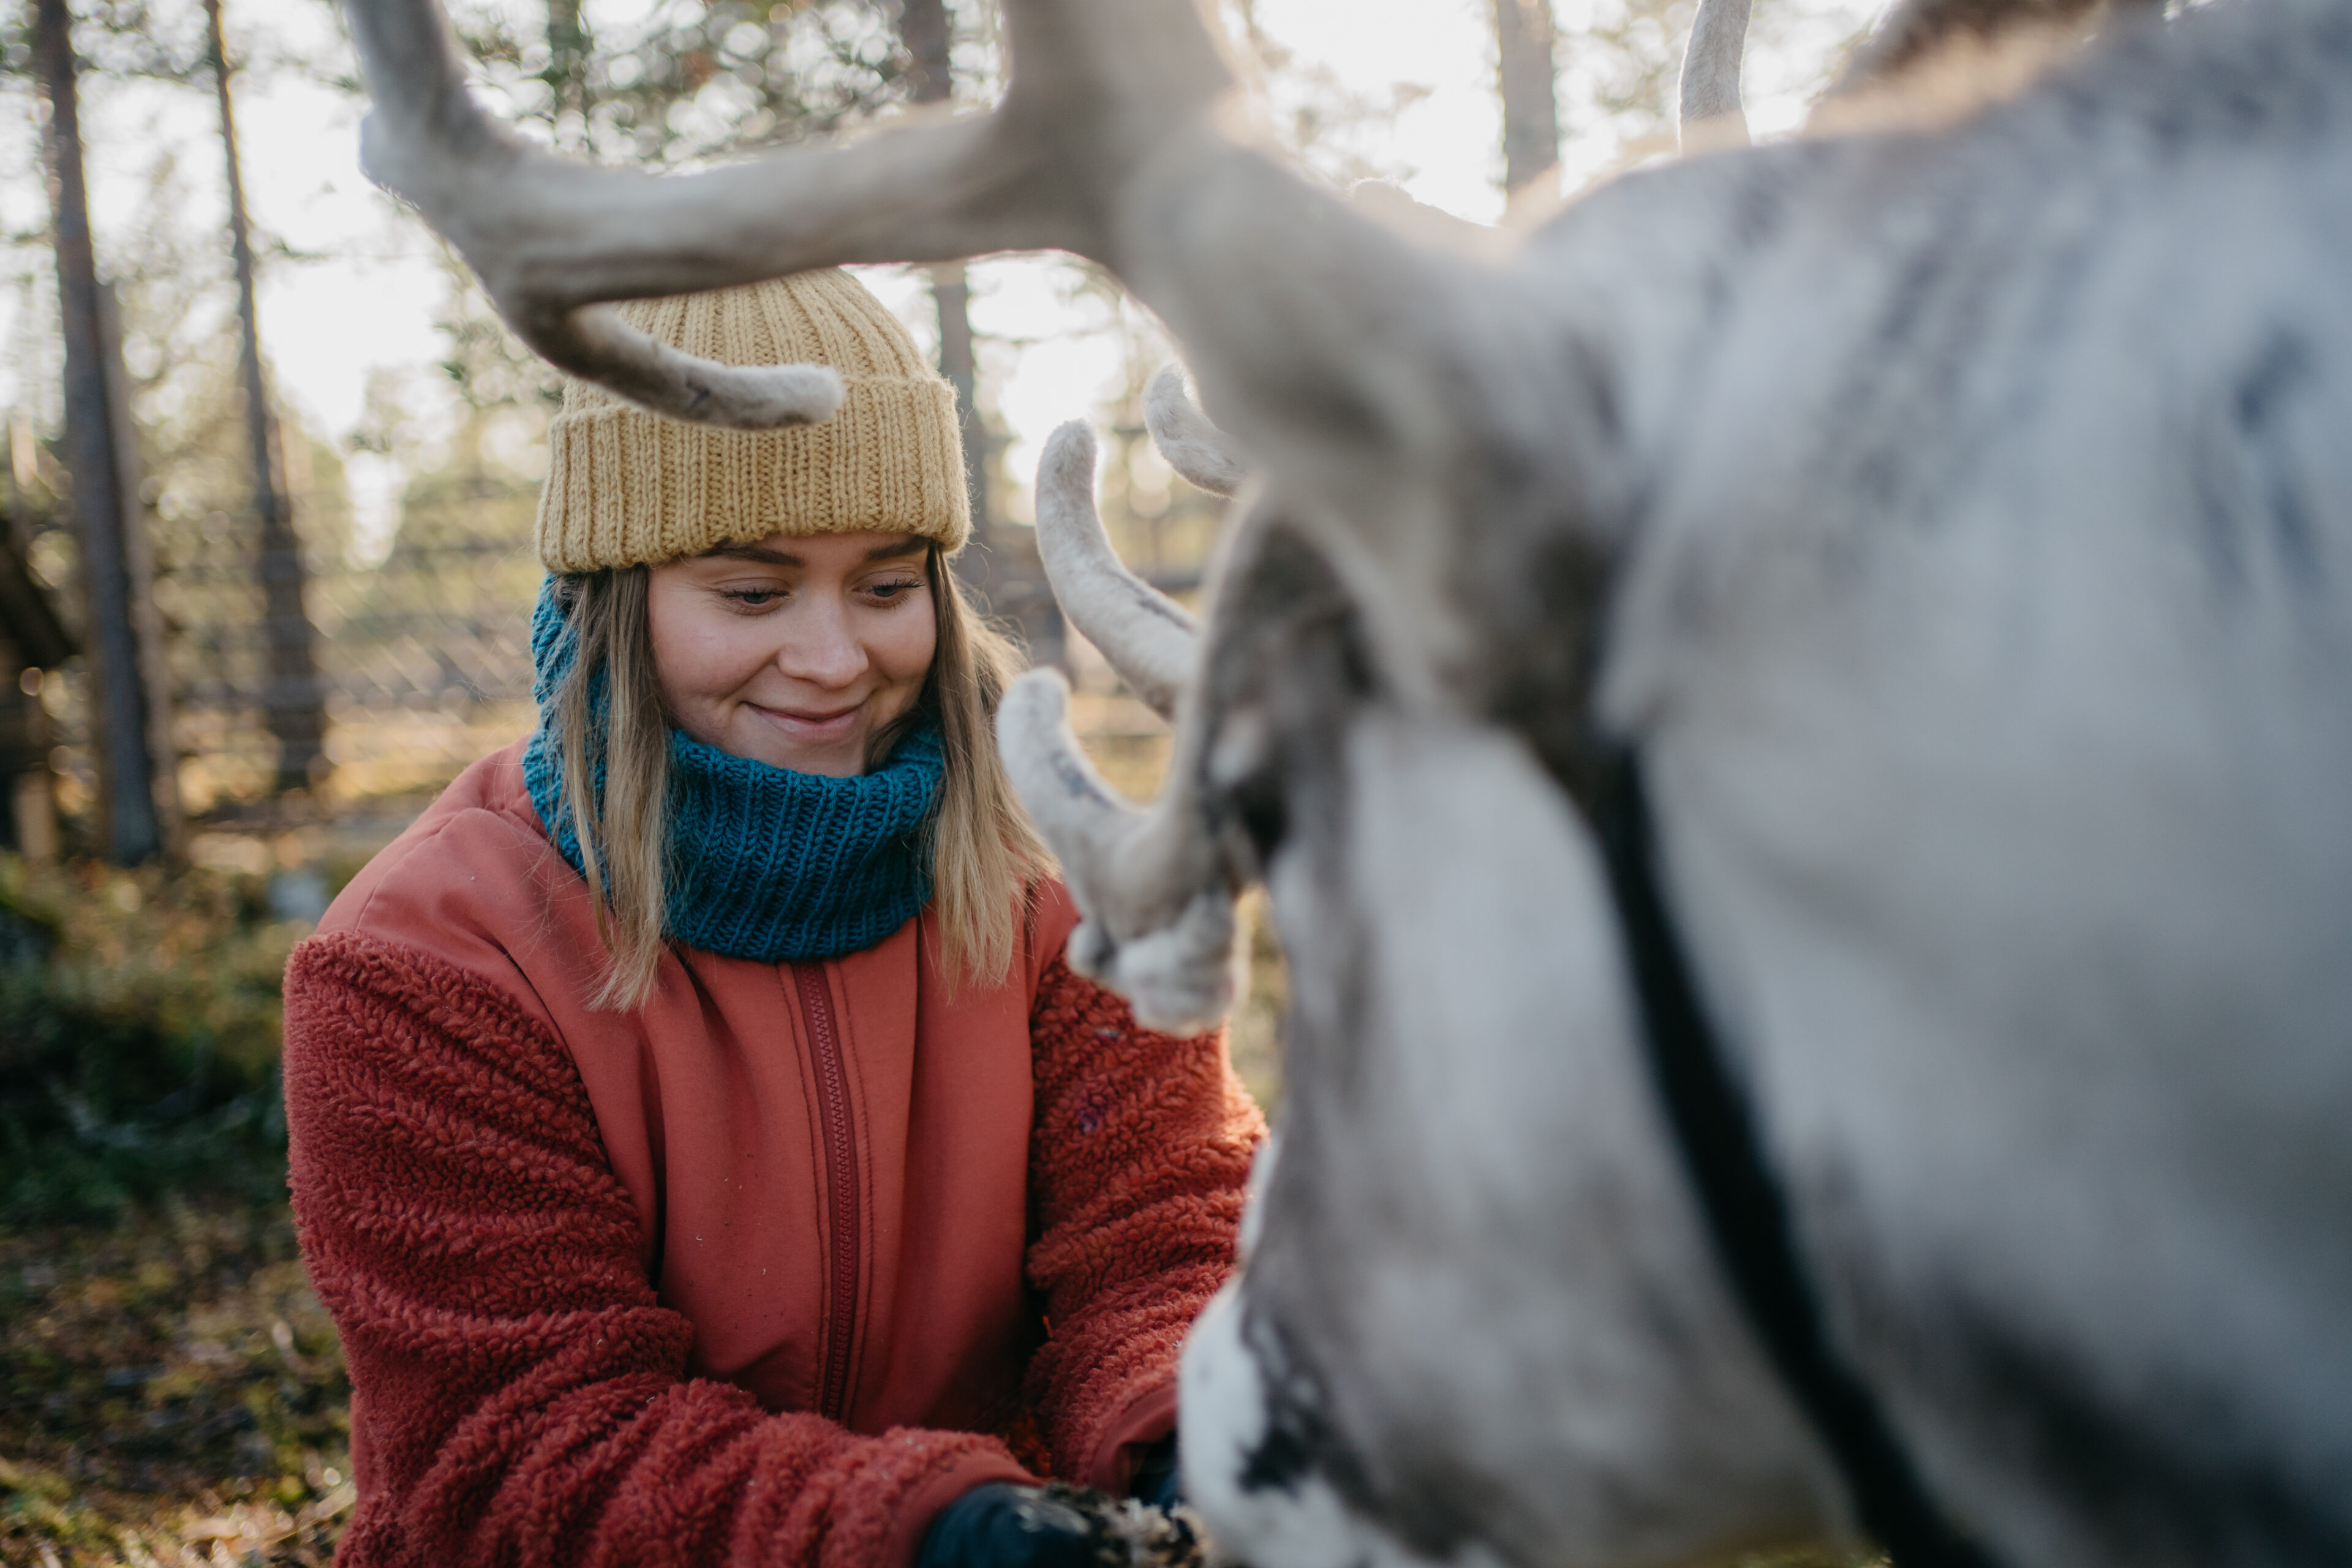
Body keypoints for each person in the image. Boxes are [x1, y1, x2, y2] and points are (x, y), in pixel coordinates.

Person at [281, 271, 1265, 1568]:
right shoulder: (421, 965)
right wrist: (934, 1529)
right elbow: (521, 1446)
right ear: (617, 597)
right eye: (752, 592)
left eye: (886, 583)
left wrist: (1194, 1436)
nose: (834, 657)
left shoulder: (1054, 903)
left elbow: (1162, 1242)